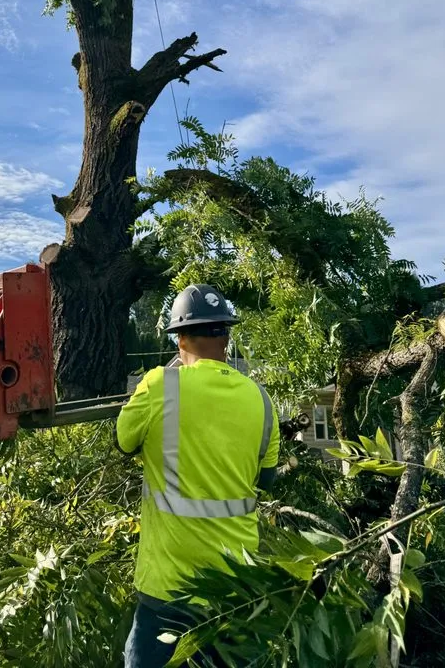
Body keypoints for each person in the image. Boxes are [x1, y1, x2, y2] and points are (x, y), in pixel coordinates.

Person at [116, 284, 280, 668]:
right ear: (225, 335)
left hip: (168, 587)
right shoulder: (261, 398)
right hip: (237, 586)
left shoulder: (161, 384)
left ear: (180, 338)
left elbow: (124, 442)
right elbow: (265, 482)